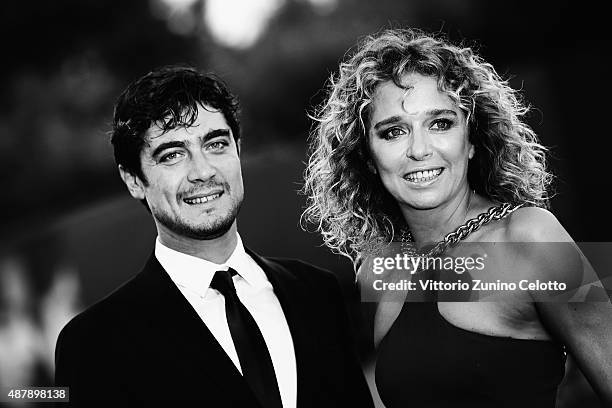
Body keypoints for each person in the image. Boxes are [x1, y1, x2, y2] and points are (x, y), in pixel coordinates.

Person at [303, 28, 612, 407]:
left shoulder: (530, 235)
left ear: (472, 140)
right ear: (368, 157)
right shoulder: (385, 270)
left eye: (441, 123)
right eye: (394, 132)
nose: (419, 149)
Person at [54, 66, 374, 408]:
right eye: (172, 155)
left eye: (216, 144)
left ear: (238, 149)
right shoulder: (95, 343)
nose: (203, 171)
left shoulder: (317, 293)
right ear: (134, 180)